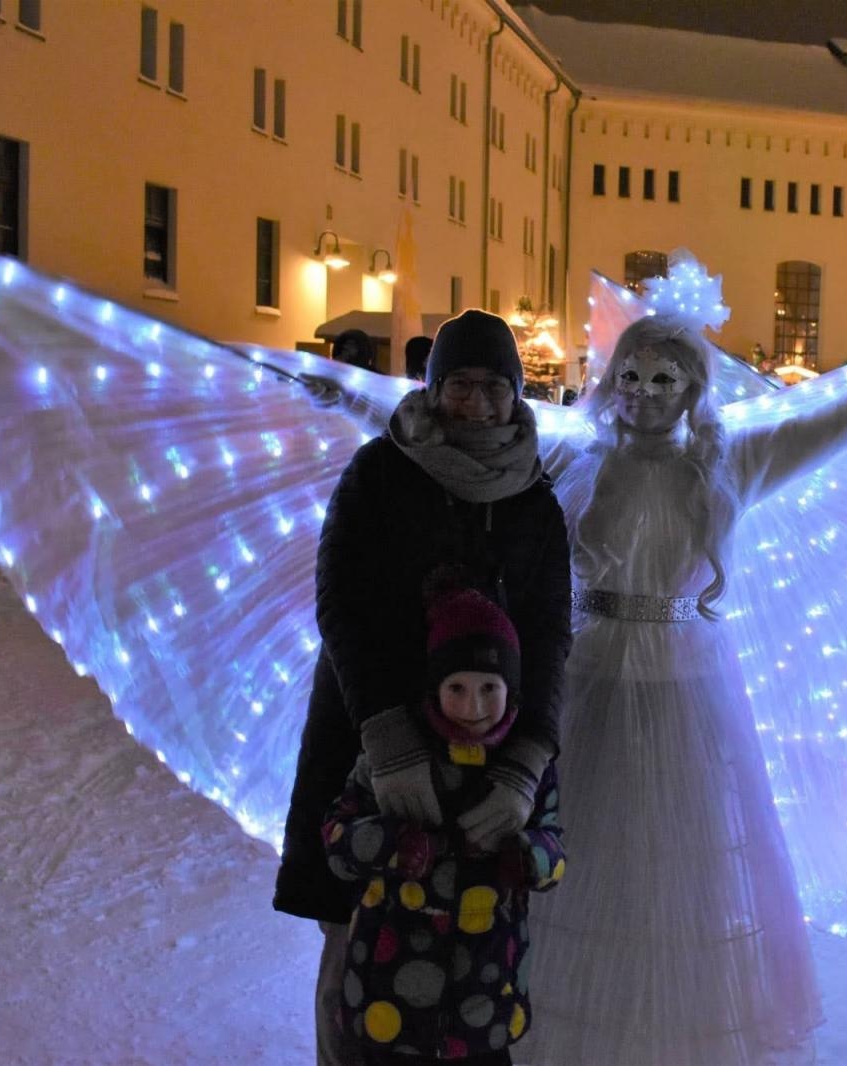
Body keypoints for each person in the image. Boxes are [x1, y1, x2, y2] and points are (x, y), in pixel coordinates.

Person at [525, 314, 847, 1065]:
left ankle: (669, 1029)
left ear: (692, 388)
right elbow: (469, 437)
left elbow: (841, 418)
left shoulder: (733, 462)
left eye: (661, 379)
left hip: (684, 694)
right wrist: (360, 403)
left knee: (677, 861)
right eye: (629, 377)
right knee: (584, 853)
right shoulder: (577, 457)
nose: (641, 395)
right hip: (590, 685)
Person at [273, 309, 572, 1066]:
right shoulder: (380, 473)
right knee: (354, 936)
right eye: (460, 385)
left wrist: (527, 763)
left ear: (518, 394)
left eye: (493, 387)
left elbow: (547, 638)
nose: (476, 404)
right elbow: (340, 604)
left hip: (484, 747)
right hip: (367, 739)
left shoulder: (535, 497)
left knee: (468, 945)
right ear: (433, 390)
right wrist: (388, 739)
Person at [323, 582, 564, 1065]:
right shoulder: (396, 759)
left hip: (485, 992)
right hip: (388, 991)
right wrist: (393, 845)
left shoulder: (523, 770)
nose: (473, 706)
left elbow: (555, 847)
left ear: (511, 689)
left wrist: (530, 857)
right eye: (457, 688)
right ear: (434, 685)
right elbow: (337, 838)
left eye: (488, 689)